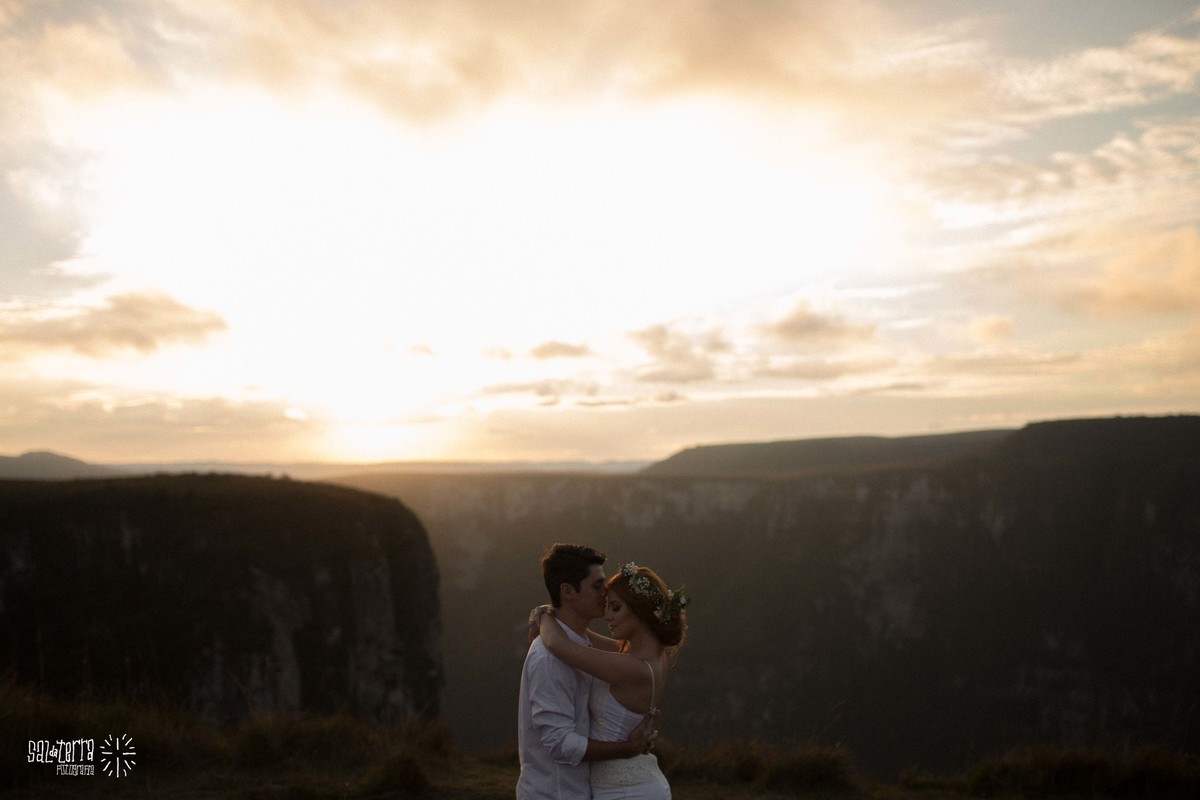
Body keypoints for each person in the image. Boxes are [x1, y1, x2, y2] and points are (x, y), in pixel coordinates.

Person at [535, 561, 688, 800]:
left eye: (615, 608)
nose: (606, 615)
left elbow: (557, 645)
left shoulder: (631, 668)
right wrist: (559, 617)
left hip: (627, 792)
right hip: (634, 785)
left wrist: (543, 616)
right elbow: (584, 638)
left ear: (641, 609)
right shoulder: (651, 657)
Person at [517, 544, 659, 800]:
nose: (605, 593)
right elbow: (560, 744)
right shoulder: (549, 659)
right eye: (597, 586)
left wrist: (546, 616)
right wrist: (627, 748)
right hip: (556, 793)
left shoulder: (580, 646)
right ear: (568, 592)